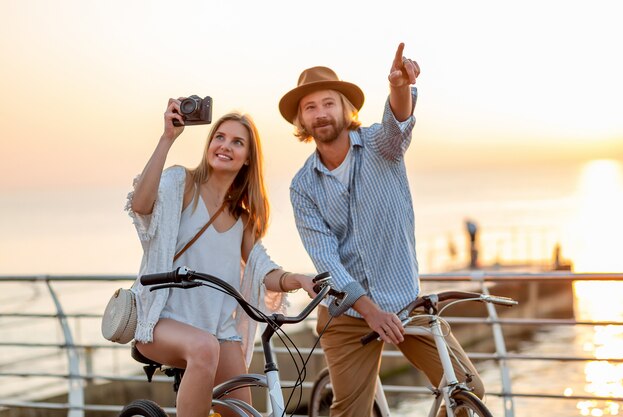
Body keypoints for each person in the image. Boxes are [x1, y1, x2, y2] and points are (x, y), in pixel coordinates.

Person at [280, 43, 485, 417]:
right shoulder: (302, 187)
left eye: (328, 103)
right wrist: (369, 310)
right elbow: (327, 261)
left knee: (468, 392)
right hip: (346, 315)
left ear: (346, 109)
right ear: (302, 123)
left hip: (405, 302)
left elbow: (398, 126)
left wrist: (398, 87)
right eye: (310, 108)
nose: (320, 113)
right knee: (351, 412)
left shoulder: (379, 145)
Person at [126, 99, 317, 417]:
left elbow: (262, 268)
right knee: (204, 347)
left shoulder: (243, 220)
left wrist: (296, 279)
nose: (225, 146)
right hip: (160, 321)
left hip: (218, 330)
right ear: (209, 143)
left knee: (242, 411)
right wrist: (167, 138)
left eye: (237, 142)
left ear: (246, 159)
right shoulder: (182, 184)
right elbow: (141, 205)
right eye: (220, 137)